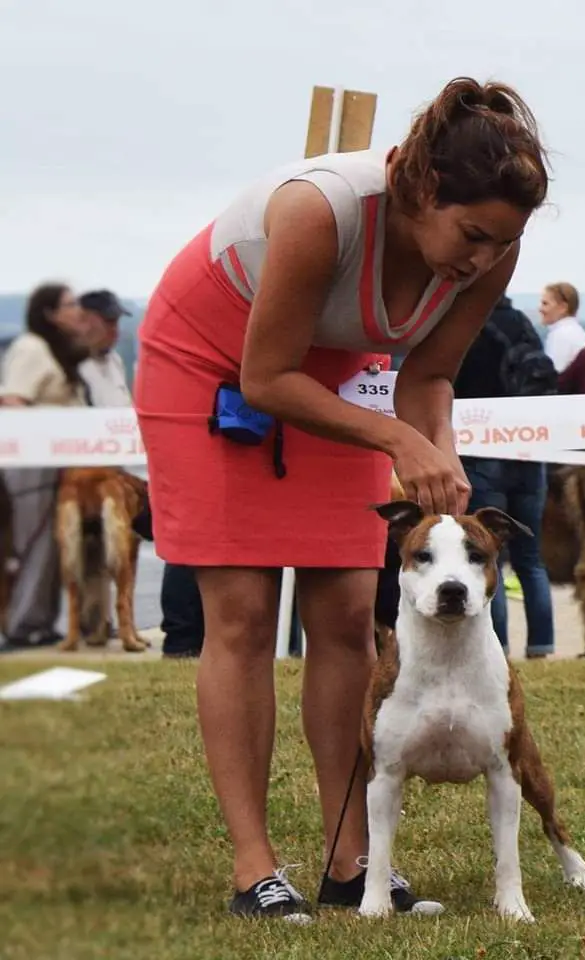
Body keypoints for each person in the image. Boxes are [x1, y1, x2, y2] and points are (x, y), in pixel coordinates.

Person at [133, 77, 549, 922]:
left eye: (499, 244)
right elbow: (266, 377)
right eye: (471, 236)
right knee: (244, 615)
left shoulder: (490, 247)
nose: (480, 260)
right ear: (423, 189)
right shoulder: (319, 211)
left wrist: (437, 459)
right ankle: (255, 868)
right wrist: (398, 442)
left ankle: (350, 860)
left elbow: (427, 376)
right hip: (212, 364)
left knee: (349, 612)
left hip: (338, 376)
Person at [454, 293, 556, 657]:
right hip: (528, 454)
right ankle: (542, 644)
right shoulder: (524, 326)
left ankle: (497, 646)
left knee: (488, 555)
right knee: (531, 559)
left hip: (480, 453)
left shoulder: (465, 326)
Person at [0, 284, 90, 650]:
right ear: (49, 312)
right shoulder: (32, 348)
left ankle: (40, 620)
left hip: (59, 461)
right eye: (69, 304)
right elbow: (13, 399)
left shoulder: (59, 352)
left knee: (53, 544)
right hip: (32, 459)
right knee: (32, 541)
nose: (76, 310)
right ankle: (21, 624)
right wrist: (46, 431)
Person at [78, 290, 133, 407]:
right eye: (109, 321)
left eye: (116, 322)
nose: (114, 329)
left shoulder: (115, 361)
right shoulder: (73, 366)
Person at [538, 282, 585, 373]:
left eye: (545, 304)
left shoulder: (562, 335)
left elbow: (555, 374)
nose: (540, 309)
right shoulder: (574, 331)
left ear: (563, 308)